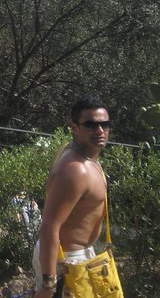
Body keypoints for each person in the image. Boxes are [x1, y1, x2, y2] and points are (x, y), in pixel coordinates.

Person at [33, 95, 114, 297]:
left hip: (80, 256)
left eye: (105, 124)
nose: (100, 130)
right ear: (74, 128)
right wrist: (48, 284)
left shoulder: (88, 159)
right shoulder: (75, 170)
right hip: (67, 260)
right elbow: (50, 225)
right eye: (91, 125)